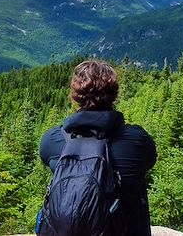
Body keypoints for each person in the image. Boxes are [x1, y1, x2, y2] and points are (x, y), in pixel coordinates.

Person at [39, 59, 157, 235]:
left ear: (75, 95)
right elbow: (149, 162)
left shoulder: (52, 140)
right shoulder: (137, 141)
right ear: (114, 94)